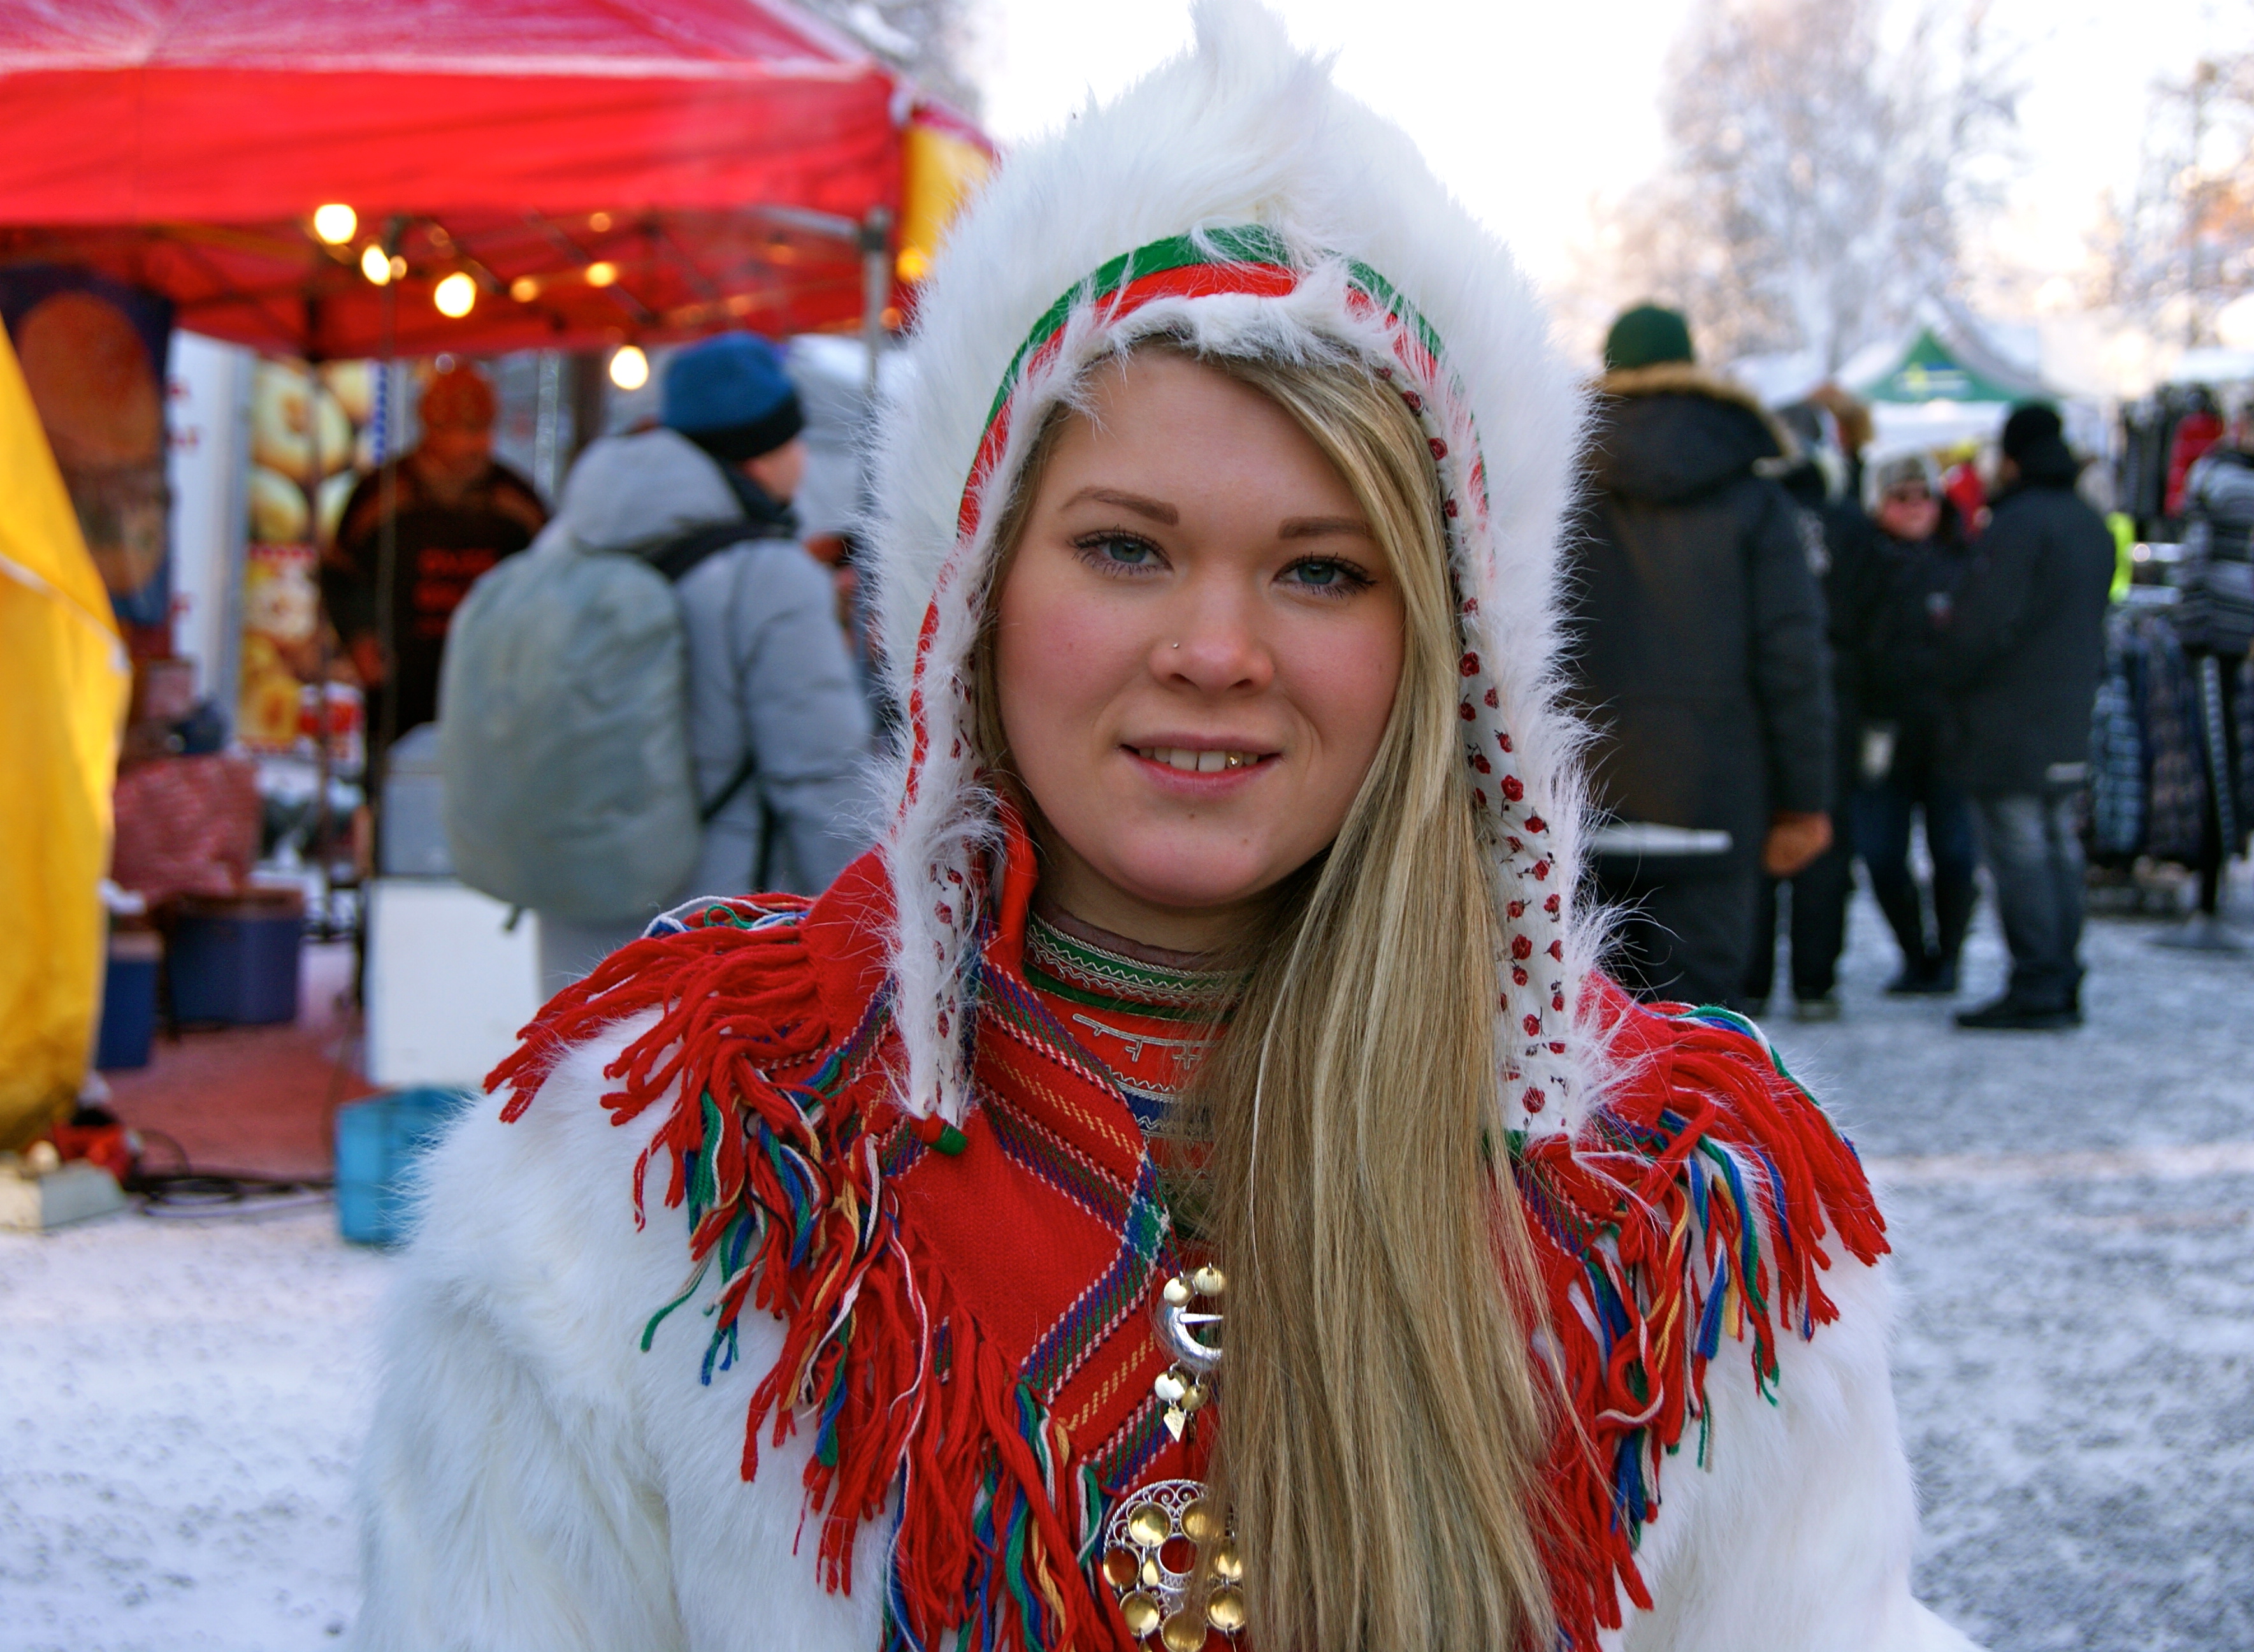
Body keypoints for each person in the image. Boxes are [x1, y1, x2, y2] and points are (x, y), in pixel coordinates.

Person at [352, 11, 1977, 1652]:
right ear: (970, 596)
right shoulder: (659, 1179)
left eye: (1321, 568)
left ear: (1449, 644)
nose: (1216, 648)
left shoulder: (1671, 1213)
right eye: (1127, 549)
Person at [526, 332, 876, 988]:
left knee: (579, 1086)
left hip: (572, 926)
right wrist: (872, 941)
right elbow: (822, 781)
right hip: (709, 950)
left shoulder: (565, 544)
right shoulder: (767, 576)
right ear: (767, 452)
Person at [1569, 305, 1836, 1010]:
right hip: (1716, 795)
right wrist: (1802, 802)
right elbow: (1793, 660)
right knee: (1707, 1045)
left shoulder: (1554, 485)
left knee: (1594, 1053)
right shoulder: (1756, 497)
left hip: (1581, 797)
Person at [1941, 403, 2114, 1030]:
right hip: (2068, 711)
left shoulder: (2018, 524)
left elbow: (1981, 624)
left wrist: (1947, 661)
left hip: (2008, 720)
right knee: (2055, 848)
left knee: (2019, 853)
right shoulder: (2088, 523)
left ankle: (2038, 980)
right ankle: (2060, 975)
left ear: (2012, 458)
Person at [1742, 397, 1883, 1021]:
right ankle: (1814, 981)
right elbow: (1881, 626)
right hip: (1839, 700)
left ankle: (1749, 979)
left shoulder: (1744, 517)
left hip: (1752, 700)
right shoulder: (1848, 523)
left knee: (1756, 836)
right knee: (1824, 837)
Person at [322, 364, 544, 754]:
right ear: (432, 429)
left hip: (493, 695)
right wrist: (359, 637)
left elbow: (553, 583)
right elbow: (339, 574)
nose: (481, 446)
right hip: (400, 693)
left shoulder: (517, 502)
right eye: (468, 431)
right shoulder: (381, 496)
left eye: (485, 430)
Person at [1849, 453, 1979, 994]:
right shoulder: (1862, 561)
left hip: (1951, 734)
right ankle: (1912, 951)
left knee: (1955, 854)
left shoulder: (1966, 559)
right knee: (1881, 853)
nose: (1913, 508)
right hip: (1882, 733)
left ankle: (1948, 958)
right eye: (1900, 498)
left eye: (1922, 496)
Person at [2158, 406, 2254, 948]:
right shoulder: (2247, 481)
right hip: (2227, 618)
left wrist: (2188, 615)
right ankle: (2212, 873)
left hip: (2214, 626)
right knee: (2220, 748)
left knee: (2216, 753)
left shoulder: (2225, 479)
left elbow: (2203, 539)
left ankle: (2212, 881)